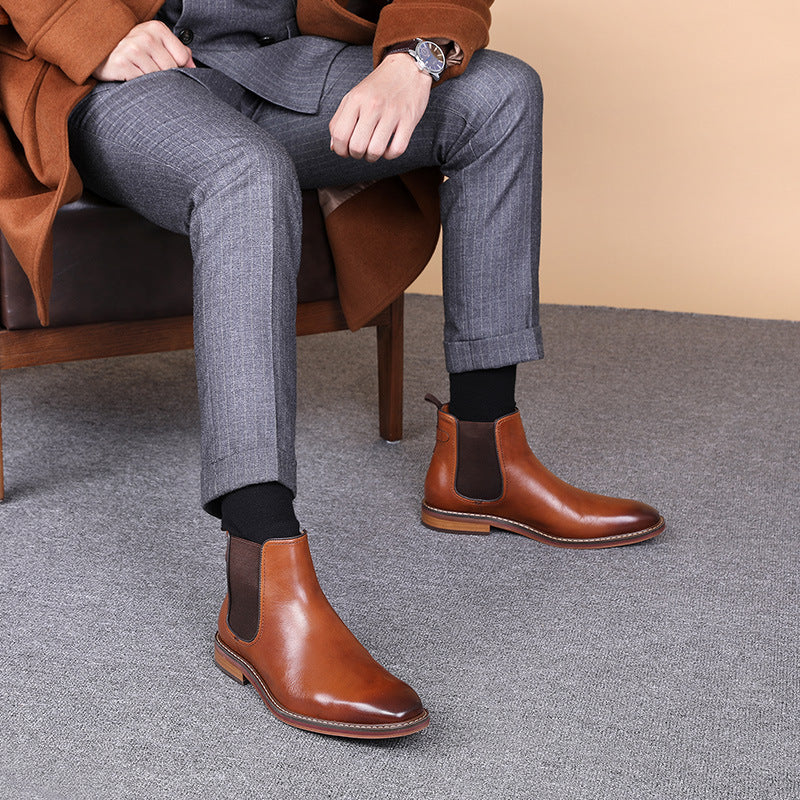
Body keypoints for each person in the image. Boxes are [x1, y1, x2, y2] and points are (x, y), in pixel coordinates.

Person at [0, 0, 664, 739]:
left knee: (500, 93)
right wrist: (91, 31)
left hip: (282, 63)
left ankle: (484, 465)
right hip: (121, 81)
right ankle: (260, 587)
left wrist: (414, 60)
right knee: (244, 172)